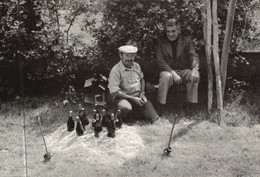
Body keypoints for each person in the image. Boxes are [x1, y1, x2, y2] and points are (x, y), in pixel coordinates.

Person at [156, 18, 200, 116]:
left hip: (183, 71)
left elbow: (193, 55)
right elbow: (160, 60)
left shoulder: (186, 40)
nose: (170, 34)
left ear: (179, 31)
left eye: (173, 31)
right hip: (168, 71)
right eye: (168, 31)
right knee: (166, 77)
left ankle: (191, 107)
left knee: (193, 75)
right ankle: (161, 108)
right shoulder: (161, 41)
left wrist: (195, 69)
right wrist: (172, 73)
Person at [108, 45, 159, 123]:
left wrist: (142, 93)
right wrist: (132, 98)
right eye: (127, 56)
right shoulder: (115, 70)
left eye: (132, 56)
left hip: (137, 97)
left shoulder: (136, 66)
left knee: (155, 118)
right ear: (121, 55)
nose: (129, 58)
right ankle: (119, 117)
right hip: (122, 98)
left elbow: (142, 80)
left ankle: (135, 114)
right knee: (126, 108)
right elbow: (114, 92)